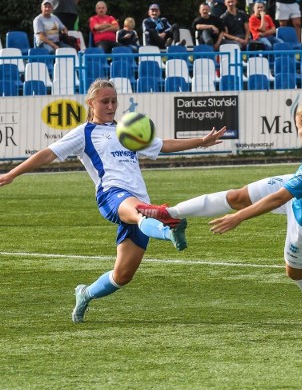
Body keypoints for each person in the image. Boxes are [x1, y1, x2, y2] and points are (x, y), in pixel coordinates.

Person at [136, 103, 302, 331]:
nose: (297, 134)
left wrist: (239, 218)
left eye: (298, 129)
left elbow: (280, 198)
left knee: (295, 271)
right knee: (237, 195)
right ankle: (170, 214)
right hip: (300, 188)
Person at [0, 79, 227, 323]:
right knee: (144, 213)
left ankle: (85, 294)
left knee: (122, 276)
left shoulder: (126, 131)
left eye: (114, 101)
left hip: (138, 201)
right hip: (112, 196)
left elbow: (163, 145)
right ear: (91, 103)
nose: (110, 106)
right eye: (104, 101)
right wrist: (12, 173)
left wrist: (201, 142)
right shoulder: (84, 132)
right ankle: (168, 229)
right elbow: (47, 154)